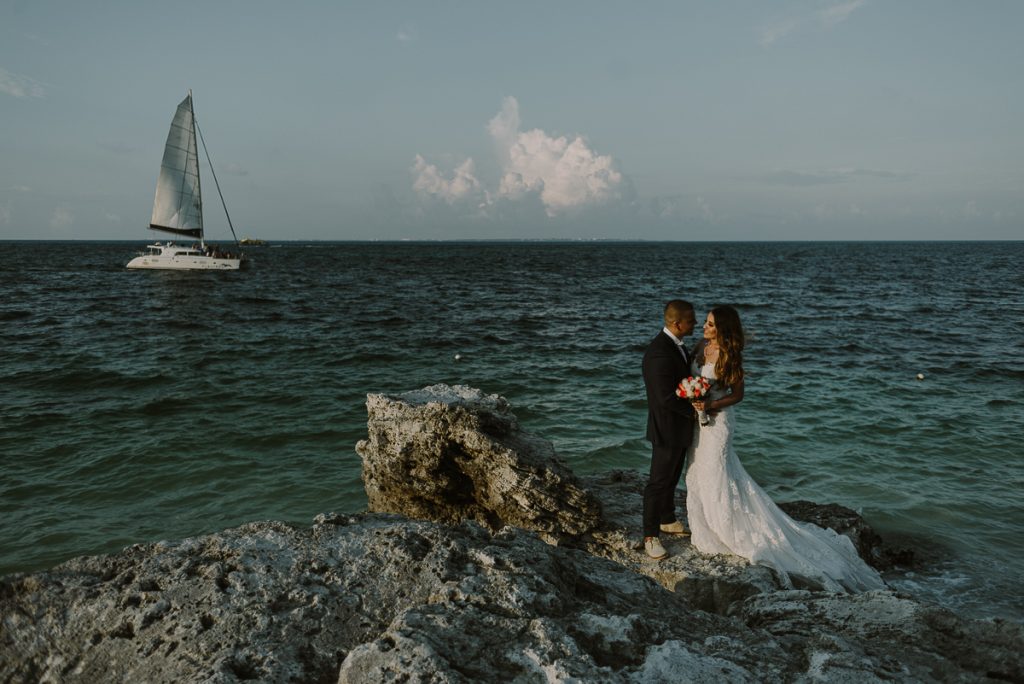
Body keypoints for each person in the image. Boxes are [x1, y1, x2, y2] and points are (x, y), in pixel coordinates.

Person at [685, 305, 885, 592]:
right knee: (697, 470)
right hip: (697, 421)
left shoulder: (730, 355)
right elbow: (690, 378)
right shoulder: (700, 346)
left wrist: (711, 404)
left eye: (711, 324)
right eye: (705, 322)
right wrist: (690, 394)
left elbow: (737, 395)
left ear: (723, 329)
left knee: (717, 472)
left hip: (718, 423)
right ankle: (705, 526)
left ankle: (728, 529)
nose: (704, 327)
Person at [641, 300, 698, 560]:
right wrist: (697, 412)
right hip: (666, 427)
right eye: (691, 320)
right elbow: (665, 397)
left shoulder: (677, 346)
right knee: (658, 482)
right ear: (677, 324)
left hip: (678, 426)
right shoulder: (659, 353)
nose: (694, 324)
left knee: (673, 475)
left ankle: (667, 518)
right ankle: (650, 536)